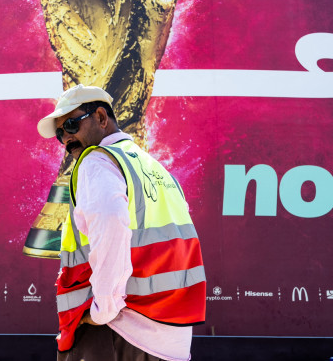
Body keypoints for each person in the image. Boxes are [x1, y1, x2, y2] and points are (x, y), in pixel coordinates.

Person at [36, 84, 206, 361]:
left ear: (101, 118)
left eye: (70, 124)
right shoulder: (157, 169)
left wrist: (103, 309)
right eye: (59, 133)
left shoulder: (96, 161)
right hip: (170, 339)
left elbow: (111, 226)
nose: (66, 138)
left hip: (119, 333)